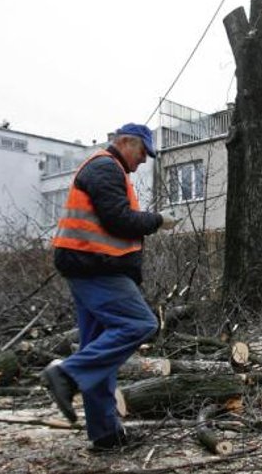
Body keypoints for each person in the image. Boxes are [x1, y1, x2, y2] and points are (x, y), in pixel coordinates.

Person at [42, 123, 178, 452]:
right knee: (140, 323)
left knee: (97, 349)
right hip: (95, 266)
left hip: (90, 265)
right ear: (125, 142)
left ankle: (105, 435)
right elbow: (117, 219)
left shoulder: (110, 169)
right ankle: (68, 375)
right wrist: (157, 220)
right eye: (143, 152)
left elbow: (115, 219)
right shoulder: (105, 167)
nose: (144, 160)